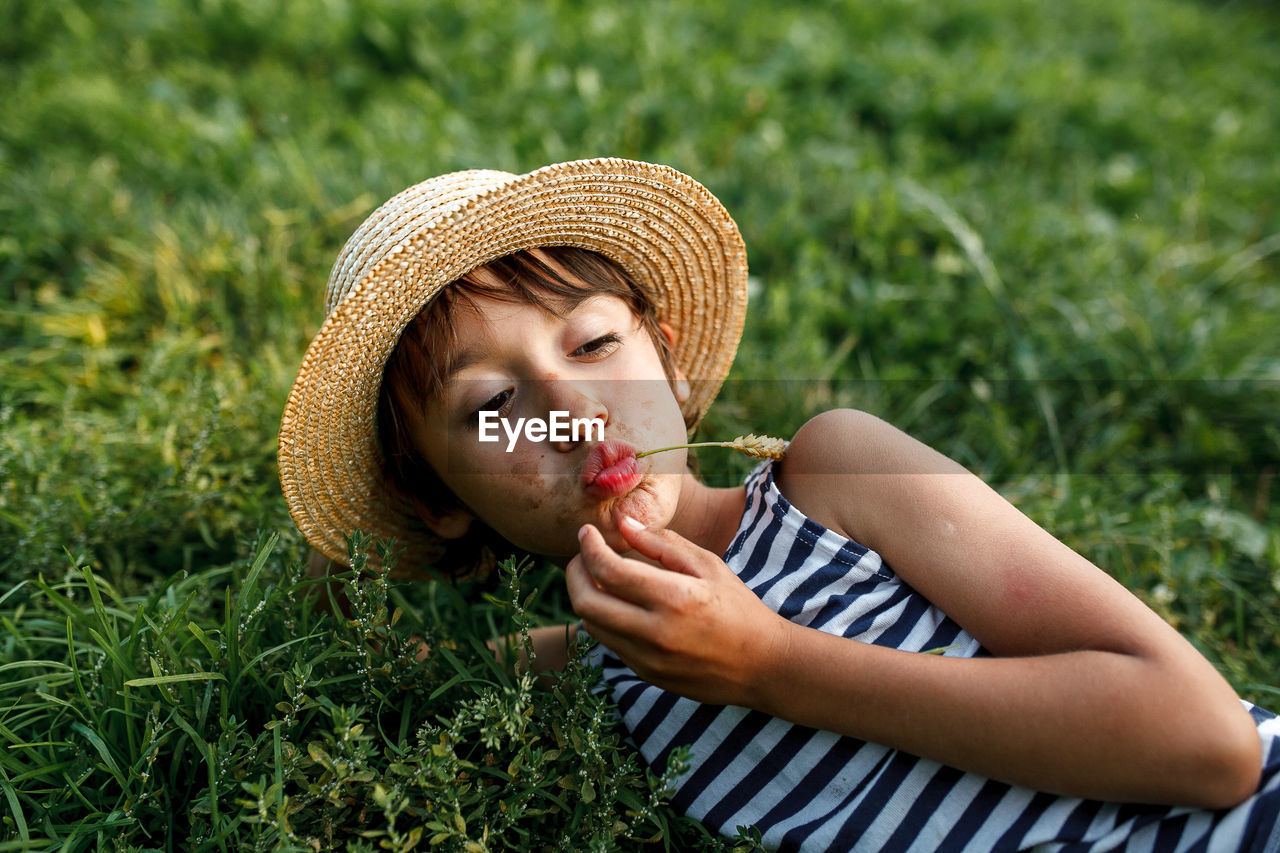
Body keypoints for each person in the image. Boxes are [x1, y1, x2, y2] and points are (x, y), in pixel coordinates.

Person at [279, 158, 1280, 851]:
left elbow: (1206, 744)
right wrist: (367, 532)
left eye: (593, 346)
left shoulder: (835, 478)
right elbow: (390, 670)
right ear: (443, 502)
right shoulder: (598, 669)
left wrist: (772, 665)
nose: (577, 414)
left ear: (667, 364)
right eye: (493, 407)